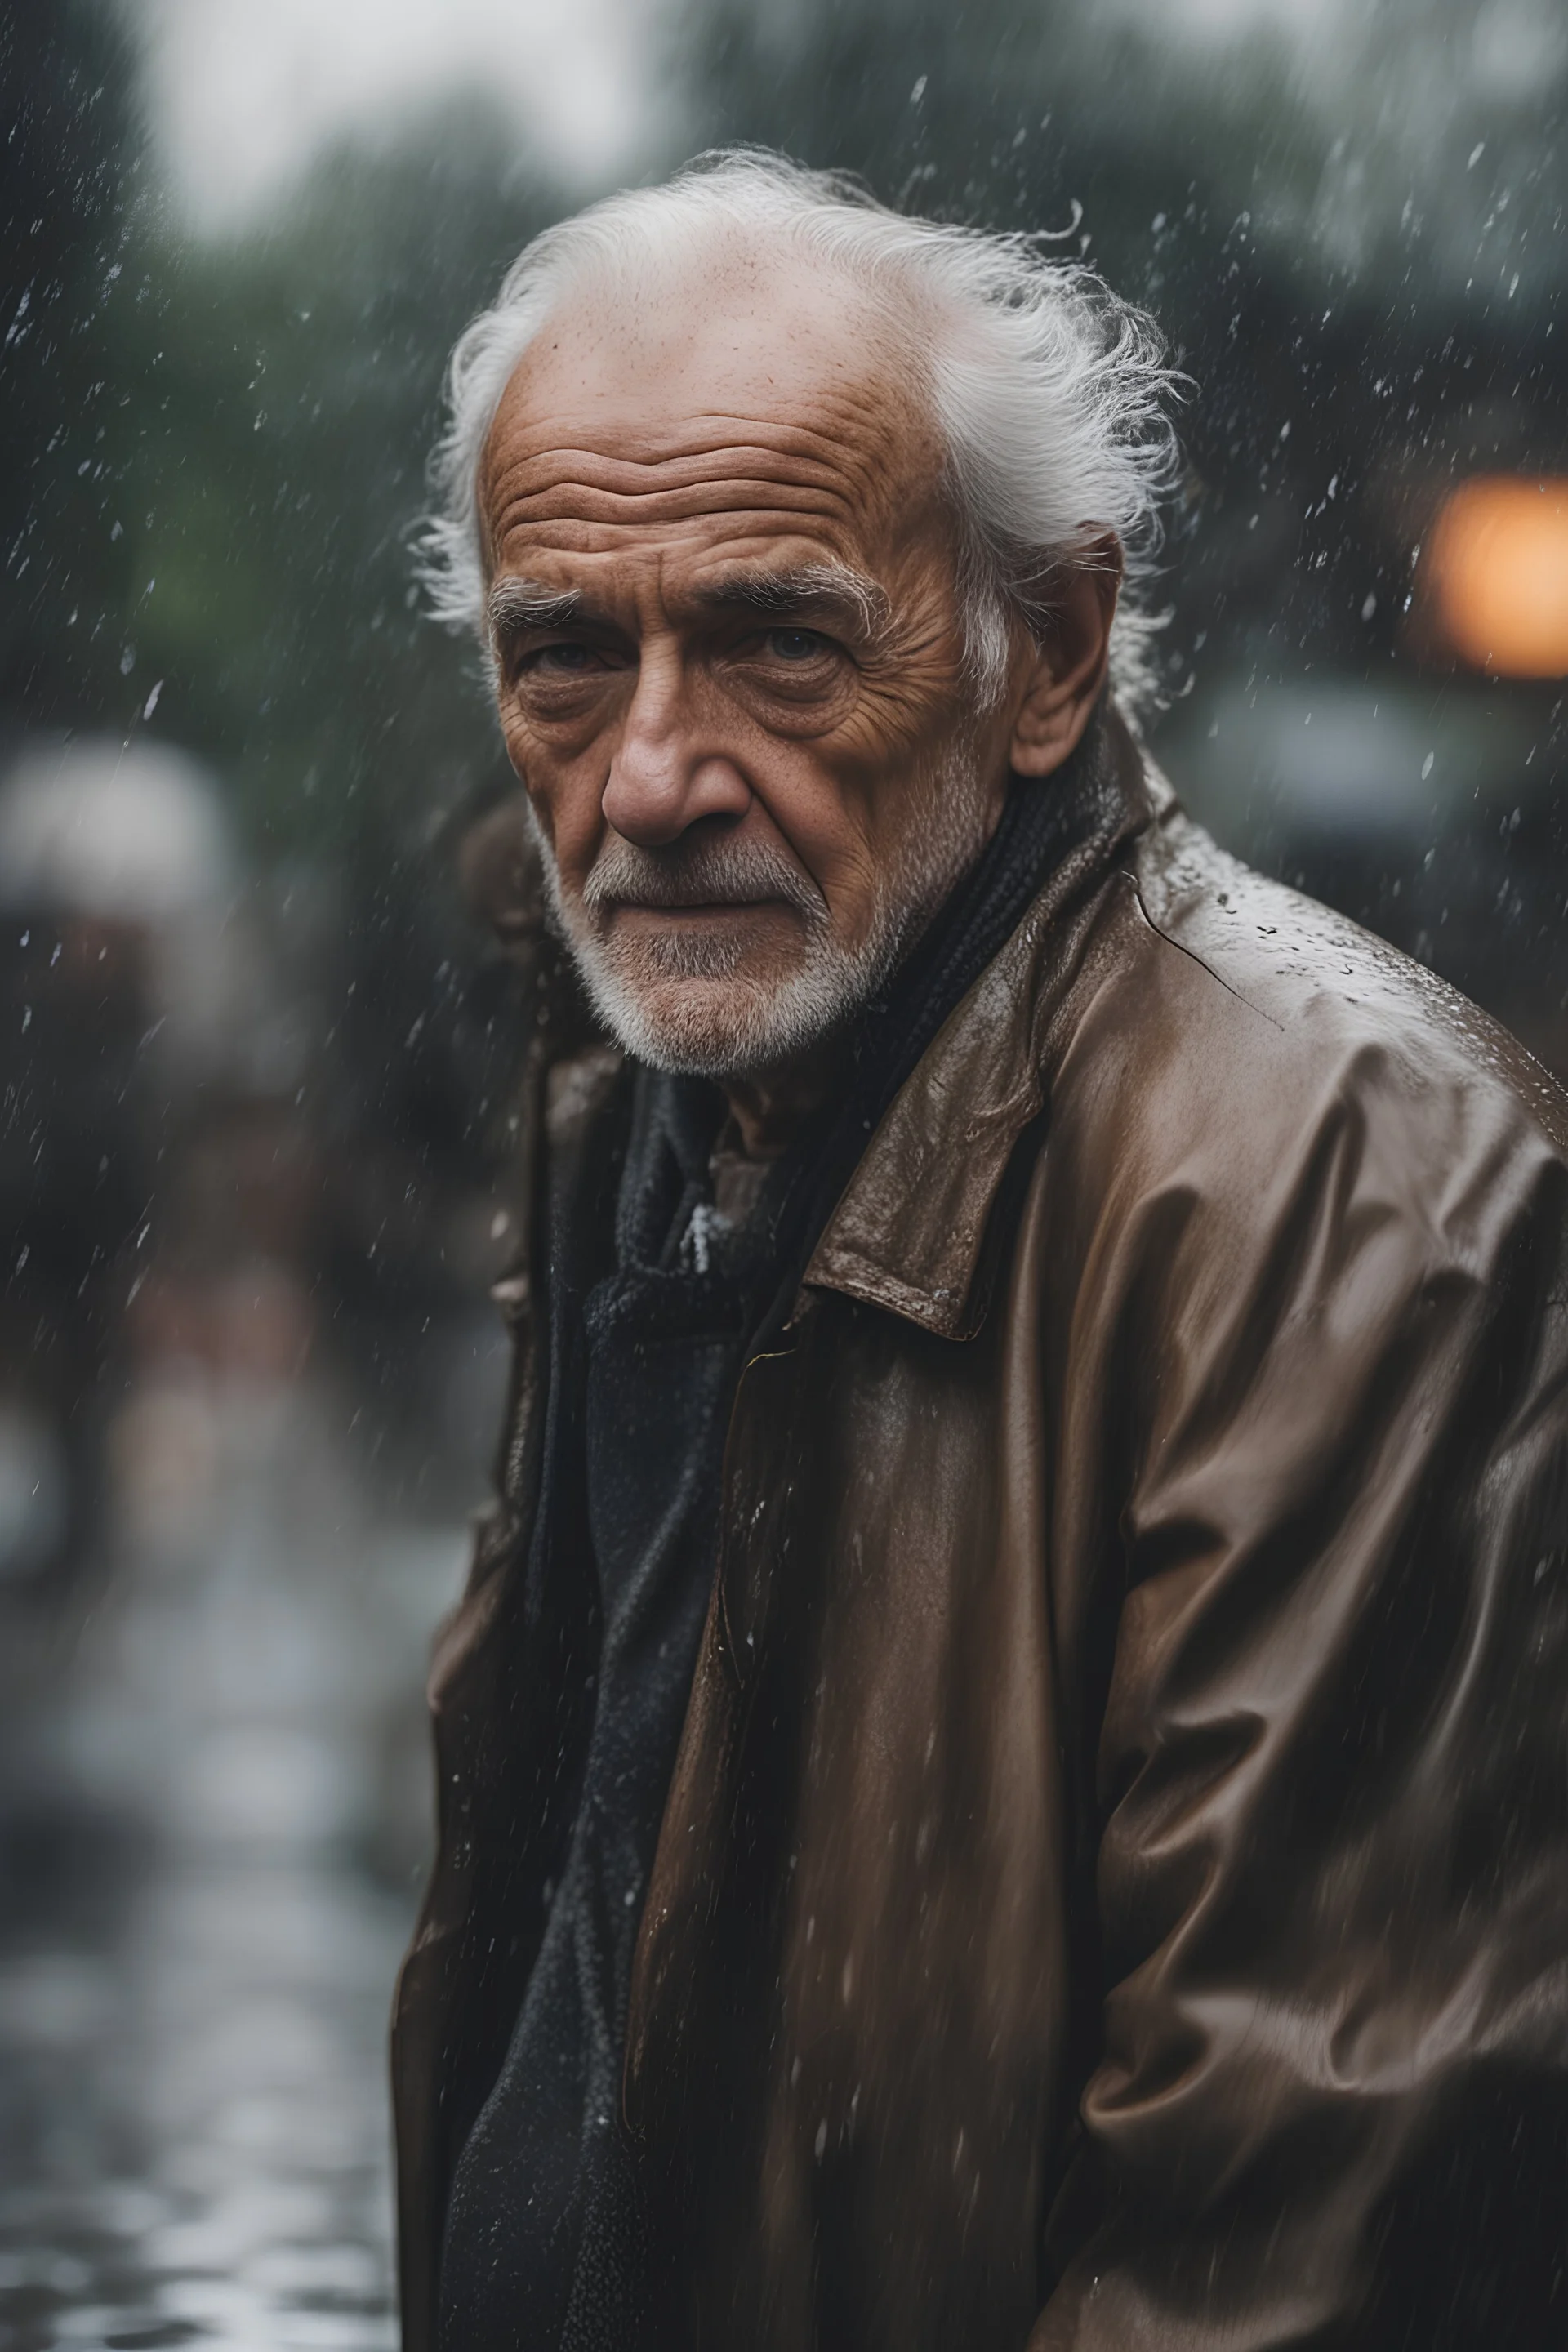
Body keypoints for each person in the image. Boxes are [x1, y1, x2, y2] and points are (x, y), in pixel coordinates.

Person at [392, 153, 1568, 2350]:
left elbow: (1277, 2268)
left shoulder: (1368, 1197)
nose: (649, 776)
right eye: (568, 653)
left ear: (1048, 653)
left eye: (776, 638)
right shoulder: (634, 1098)